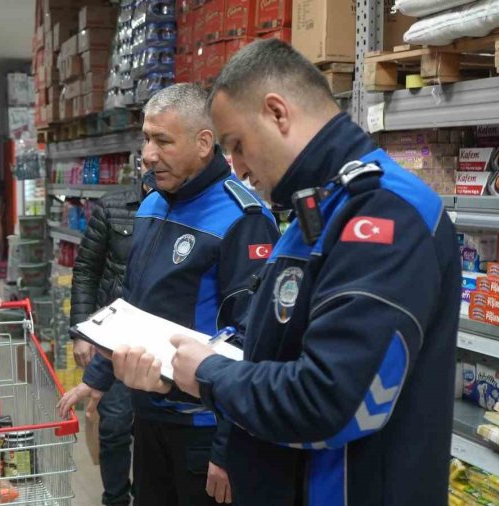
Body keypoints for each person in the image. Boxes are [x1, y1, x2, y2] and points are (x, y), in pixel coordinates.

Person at [124, 39, 461, 505]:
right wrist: (176, 371)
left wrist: (209, 376)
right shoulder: (313, 214)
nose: (238, 170)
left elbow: (330, 401)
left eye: (237, 146)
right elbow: (269, 351)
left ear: (277, 113)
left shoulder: (385, 215)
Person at [58, 83, 280, 506]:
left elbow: (254, 343)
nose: (147, 154)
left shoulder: (243, 218)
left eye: (162, 140)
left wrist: (228, 450)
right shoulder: (153, 205)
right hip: (151, 417)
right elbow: (135, 304)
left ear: (202, 143)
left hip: (204, 429)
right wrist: (101, 376)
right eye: (145, 138)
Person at [69, 175, 151, 506]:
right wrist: (82, 331)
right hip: (115, 340)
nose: (154, 158)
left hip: (160, 342)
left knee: (150, 431)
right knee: (114, 426)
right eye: (148, 147)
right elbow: (87, 269)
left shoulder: (184, 209)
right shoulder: (112, 206)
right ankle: (115, 498)